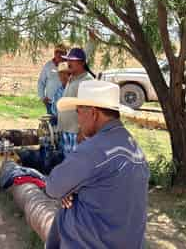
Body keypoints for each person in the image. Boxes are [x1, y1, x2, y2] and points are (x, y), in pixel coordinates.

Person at [45, 80, 149, 249]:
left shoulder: (94, 150)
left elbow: (53, 187)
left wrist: (68, 189)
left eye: (78, 112)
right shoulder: (133, 147)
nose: (78, 120)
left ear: (93, 113)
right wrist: (72, 188)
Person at [57, 48, 94, 155]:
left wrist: (82, 132)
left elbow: (89, 110)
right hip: (67, 130)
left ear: (82, 62)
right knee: (68, 163)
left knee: (78, 164)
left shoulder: (87, 81)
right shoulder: (72, 77)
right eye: (68, 60)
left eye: (72, 60)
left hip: (76, 132)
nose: (68, 63)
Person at [37, 45, 67, 114]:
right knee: (52, 123)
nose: (59, 54)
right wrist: (42, 97)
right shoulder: (48, 65)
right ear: (54, 53)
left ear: (65, 54)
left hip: (64, 103)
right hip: (50, 102)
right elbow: (41, 82)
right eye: (57, 52)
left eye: (61, 52)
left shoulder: (69, 65)